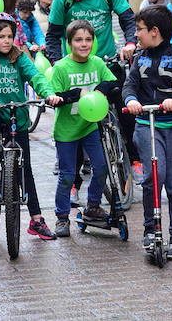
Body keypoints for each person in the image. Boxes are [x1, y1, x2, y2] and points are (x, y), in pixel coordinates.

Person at [0, 13, 62, 240]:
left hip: (16, 115)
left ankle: (36, 220)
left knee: (25, 167)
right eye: (1, 36)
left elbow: (36, 77)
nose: (7, 41)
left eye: (10, 36)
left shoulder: (19, 58)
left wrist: (48, 94)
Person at [46, 0, 138, 172]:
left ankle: (135, 158)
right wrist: (57, 63)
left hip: (107, 63)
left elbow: (128, 19)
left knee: (125, 109)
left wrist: (130, 43)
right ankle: (71, 162)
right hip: (76, 68)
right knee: (73, 115)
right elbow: (53, 35)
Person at [124, 5, 172, 260]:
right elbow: (129, 86)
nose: (136, 34)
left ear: (154, 31)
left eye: (140, 29)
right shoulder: (139, 58)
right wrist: (132, 100)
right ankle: (150, 230)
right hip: (148, 125)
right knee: (153, 178)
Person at [49, 19, 116, 237]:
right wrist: (77, 93)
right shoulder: (61, 67)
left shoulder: (97, 63)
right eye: (78, 40)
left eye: (88, 39)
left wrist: (101, 89)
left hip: (89, 128)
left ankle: (93, 206)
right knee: (67, 175)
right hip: (66, 132)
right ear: (69, 43)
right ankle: (62, 217)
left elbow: (112, 81)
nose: (84, 44)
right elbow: (55, 97)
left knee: (102, 167)